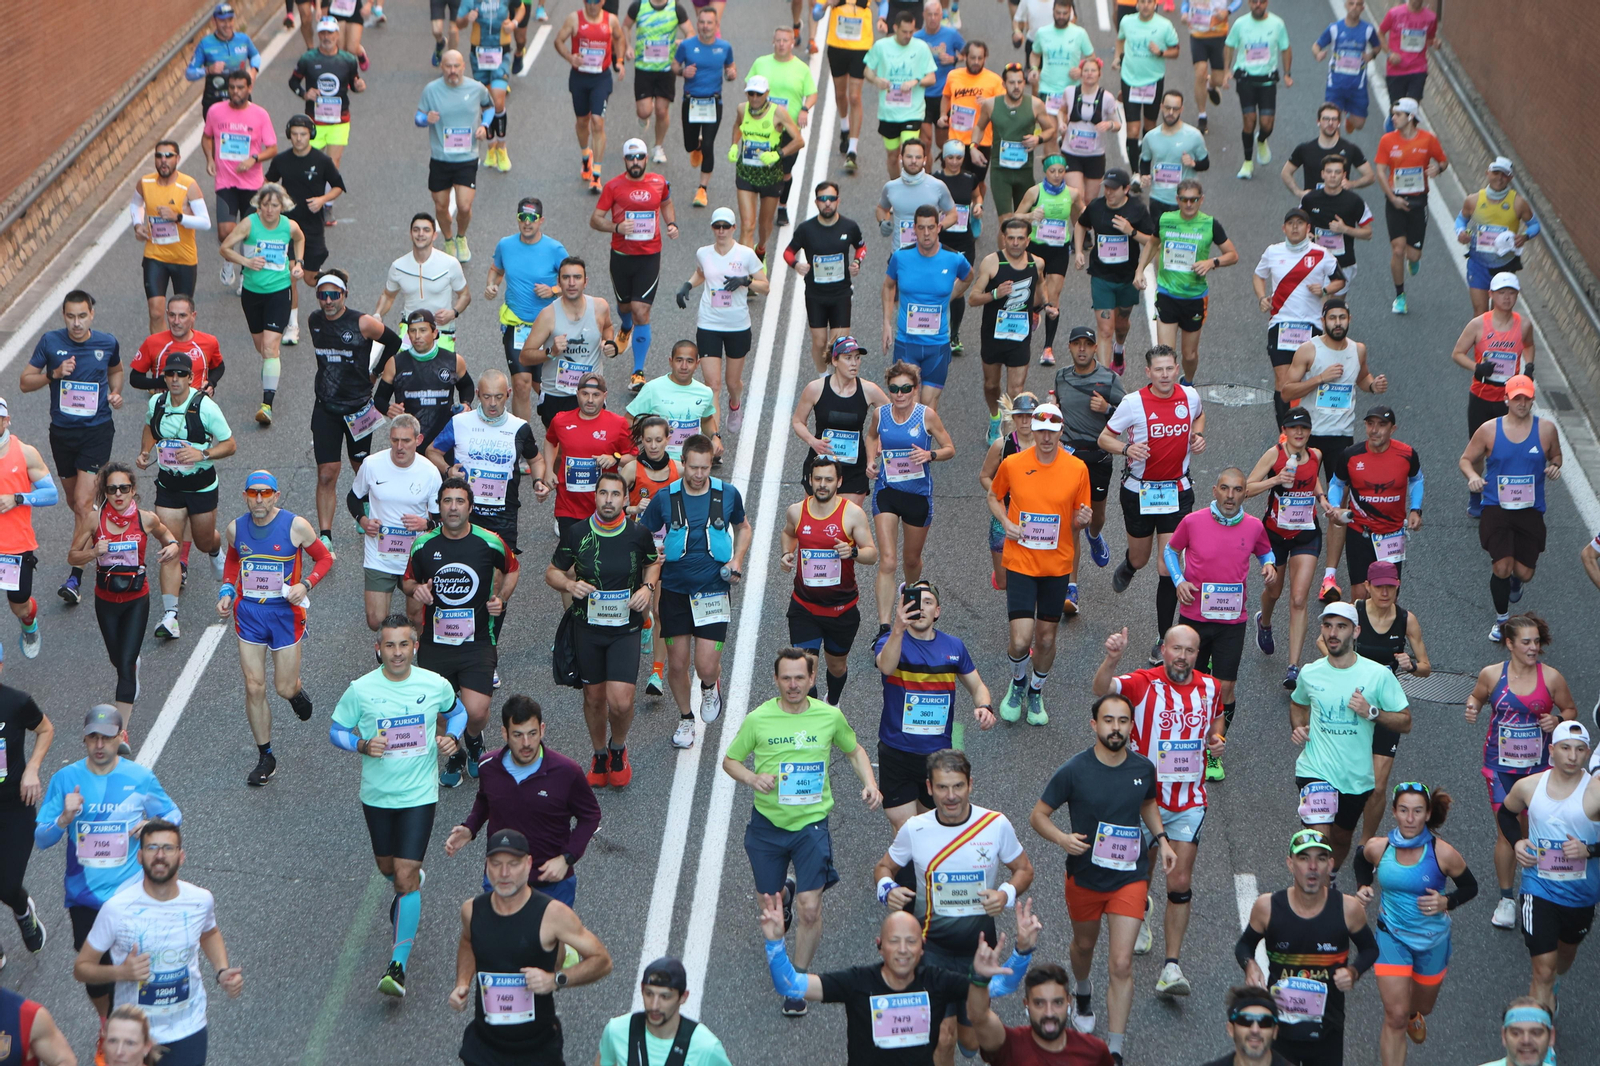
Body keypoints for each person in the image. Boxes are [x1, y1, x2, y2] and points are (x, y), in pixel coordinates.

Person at [724, 647, 882, 1017]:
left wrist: (871, 783)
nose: (793, 685)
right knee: (771, 906)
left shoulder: (829, 716)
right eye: (786, 678)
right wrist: (752, 777)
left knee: (810, 910)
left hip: (811, 826)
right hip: (767, 827)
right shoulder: (759, 719)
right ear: (776, 680)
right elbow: (730, 760)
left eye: (800, 678)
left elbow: (855, 749)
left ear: (812, 679)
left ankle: (797, 979)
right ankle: (784, 891)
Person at [1030, 693, 1175, 1061]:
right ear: (1094, 725)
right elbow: (1039, 815)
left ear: (1131, 726)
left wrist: (1162, 840)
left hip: (1130, 877)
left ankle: (1114, 1048)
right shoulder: (1074, 771)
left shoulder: (1143, 768)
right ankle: (1082, 989)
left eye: (1123, 721)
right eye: (1108, 721)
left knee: (1122, 962)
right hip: (1086, 877)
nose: (1116, 728)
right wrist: (1062, 838)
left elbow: (1147, 802)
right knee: (1083, 947)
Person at [329, 614, 467, 997]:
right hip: (376, 796)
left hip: (420, 795)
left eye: (403, 645)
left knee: (404, 878)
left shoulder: (434, 684)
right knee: (387, 869)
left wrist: (452, 737)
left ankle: (397, 966)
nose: (396, 653)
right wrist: (361, 744)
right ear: (378, 649)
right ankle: (410, 888)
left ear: (415, 647)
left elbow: (457, 712)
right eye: (389, 645)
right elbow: (336, 729)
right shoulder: (360, 689)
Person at [1092, 624, 1224, 995]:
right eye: (1176, 648)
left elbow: (1216, 719)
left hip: (1188, 801)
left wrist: (1217, 741)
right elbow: (1102, 690)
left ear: (1199, 655)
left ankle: (1172, 968)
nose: (1182, 656)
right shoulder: (1143, 683)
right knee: (1141, 873)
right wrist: (1111, 658)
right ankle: (1142, 908)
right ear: (1163, 650)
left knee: (1180, 880)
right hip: (1144, 799)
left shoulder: (1210, 687)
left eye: (1190, 650)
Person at [874, 751, 1033, 1054]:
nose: (950, 796)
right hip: (931, 948)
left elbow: (1024, 869)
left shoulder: (995, 825)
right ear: (929, 788)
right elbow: (884, 868)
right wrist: (886, 889)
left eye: (958, 786)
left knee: (971, 1041)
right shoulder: (915, 829)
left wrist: (1005, 894)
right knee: (943, 1036)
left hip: (978, 950)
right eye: (943, 788)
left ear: (970, 784)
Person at [35, 706, 182, 1024]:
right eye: (92, 738)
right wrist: (64, 818)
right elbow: (42, 838)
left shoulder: (140, 778)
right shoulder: (66, 779)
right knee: (96, 975)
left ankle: (135, 1032)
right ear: (84, 740)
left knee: (137, 969)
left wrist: (151, 825)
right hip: (85, 898)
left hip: (130, 895)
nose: (99, 745)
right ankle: (107, 1022)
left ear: (121, 737)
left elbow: (173, 815)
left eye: (107, 737)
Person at [74, 820, 242, 1065]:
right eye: (152, 848)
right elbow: (81, 968)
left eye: (168, 848)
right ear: (140, 856)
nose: (160, 855)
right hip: (132, 1034)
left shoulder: (200, 900)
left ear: (181, 856)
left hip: (188, 1028)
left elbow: (208, 933)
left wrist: (222, 970)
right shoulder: (117, 909)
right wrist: (120, 972)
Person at [447, 828, 613, 1066]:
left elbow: (602, 961)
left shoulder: (552, 914)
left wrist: (556, 980)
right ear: (487, 865)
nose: (504, 873)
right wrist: (462, 983)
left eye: (513, 864)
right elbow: (468, 941)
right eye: (496, 864)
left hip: (536, 1050)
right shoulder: (472, 910)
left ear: (528, 864)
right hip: (484, 1047)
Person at [1464, 613, 1579, 929]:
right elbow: (1476, 696)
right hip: (1499, 766)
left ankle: (1538, 885)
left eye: (1536, 642)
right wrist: (1473, 706)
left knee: (1531, 828)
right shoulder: (1491, 675)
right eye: (1526, 642)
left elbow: (1570, 710)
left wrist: (1556, 720)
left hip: (1539, 768)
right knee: (1507, 830)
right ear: (1510, 644)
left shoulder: (1551, 678)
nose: (1533, 648)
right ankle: (1506, 899)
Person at [216, 470, 329, 786]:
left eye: (266, 493)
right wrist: (227, 589)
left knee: (282, 686)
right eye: (254, 494)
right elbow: (233, 562)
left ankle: (294, 692)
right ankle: (266, 755)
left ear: (276, 496)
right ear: (245, 496)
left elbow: (324, 559)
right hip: (250, 613)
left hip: (284, 615)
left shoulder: (296, 526)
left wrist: (306, 584)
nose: (260, 500)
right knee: (254, 685)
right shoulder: (235, 529)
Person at [638, 434, 751, 747]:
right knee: (676, 664)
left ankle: (710, 686)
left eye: (705, 468)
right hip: (674, 591)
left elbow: (743, 527)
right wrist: (652, 555)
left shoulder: (727, 494)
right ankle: (686, 719)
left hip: (713, 590)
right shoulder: (665, 497)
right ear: (683, 463)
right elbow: (642, 534)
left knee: (705, 665)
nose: (699, 474)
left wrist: (737, 558)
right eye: (694, 468)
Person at [545, 470, 657, 785]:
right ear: (595, 496)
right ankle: (598, 755)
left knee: (620, 700)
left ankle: (618, 747)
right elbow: (552, 572)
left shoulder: (638, 534)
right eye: (603, 493)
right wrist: (569, 583)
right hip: (588, 629)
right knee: (594, 698)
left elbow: (653, 561)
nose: (608, 500)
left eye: (615, 495)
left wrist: (647, 588)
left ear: (625, 499)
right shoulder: (577, 533)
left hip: (625, 628)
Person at [407, 478, 520, 787]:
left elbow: (512, 568)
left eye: (459, 501)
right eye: (447, 501)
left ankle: (473, 740)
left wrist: (502, 598)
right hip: (435, 643)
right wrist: (417, 590)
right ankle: (456, 753)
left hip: (478, 641)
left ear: (470, 507)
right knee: (441, 712)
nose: (453, 507)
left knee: (477, 710)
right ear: (439, 507)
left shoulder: (490, 541)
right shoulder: (423, 545)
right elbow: (407, 581)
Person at [1353, 783, 1476, 1065]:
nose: (1410, 818)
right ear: (1394, 812)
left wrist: (1448, 902)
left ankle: (1413, 1015)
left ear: (1428, 814)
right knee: (1394, 1016)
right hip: (1391, 936)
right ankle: (1403, 1018)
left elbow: (1470, 886)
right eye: (1404, 810)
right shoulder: (1379, 847)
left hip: (1432, 940)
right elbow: (1361, 859)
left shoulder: (1442, 853)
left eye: (1417, 811)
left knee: (1422, 1006)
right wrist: (1363, 886)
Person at [1163, 468, 1275, 776]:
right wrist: (1178, 580)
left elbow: (1266, 552)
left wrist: (1269, 567)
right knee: (1188, 684)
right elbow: (1171, 551)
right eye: (1224, 489)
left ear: (1244, 493)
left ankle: (1214, 748)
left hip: (1231, 620)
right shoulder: (1193, 521)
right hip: (1194, 616)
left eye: (1237, 490)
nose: (1230, 495)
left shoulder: (1253, 527)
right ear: (1214, 490)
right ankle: (1186, 743)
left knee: (1225, 687)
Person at [1236, 828, 1380, 1066]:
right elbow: (1244, 946)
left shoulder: (1348, 909)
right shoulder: (1268, 907)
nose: (1313, 866)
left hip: (1328, 1028)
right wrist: (1249, 965)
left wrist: (1354, 972)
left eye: (1321, 858)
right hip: (1280, 1028)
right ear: (1290, 864)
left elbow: (1370, 949)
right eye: (1304, 858)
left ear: (1330, 865)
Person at [1098, 346, 1205, 660]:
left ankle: (1162, 638)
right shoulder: (1133, 403)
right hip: (1139, 492)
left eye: (1170, 369)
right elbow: (1104, 438)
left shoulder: (1190, 396)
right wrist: (1126, 448)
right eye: (1158, 370)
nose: (1165, 375)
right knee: (1143, 558)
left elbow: (1199, 417)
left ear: (1176, 368)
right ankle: (1130, 565)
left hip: (1177, 491)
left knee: (1167, 565)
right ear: (1148, 372)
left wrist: (1198, 436)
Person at [988, 402, 1091, 720]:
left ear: (1061, 431)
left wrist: (1083, 519)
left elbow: (1078, 515)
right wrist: (1006, 523)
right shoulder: (1015, 463)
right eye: (1041, 430)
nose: (1046, 437)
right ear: (1032, 429)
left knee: (1046, 639)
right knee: (1020, 640)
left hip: (1056, 566)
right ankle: (1017, 682)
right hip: (1020, 561)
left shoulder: (1077, 469)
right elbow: (994, 495)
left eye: (1053, 431)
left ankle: (1036, 691)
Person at [445, 696, 602, 904]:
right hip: (501, 879)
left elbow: (590, 815)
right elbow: (485, 799)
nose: (526, 743)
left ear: (542, 730)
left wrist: (567, 858)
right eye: (518, 735)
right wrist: (470, 827)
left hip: (551, 882)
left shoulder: (567, 771)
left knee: (549, 938)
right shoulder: (488, 766)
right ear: (505, 733)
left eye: (532, 734)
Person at [1291, 603, 1412, 871]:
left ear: (1356, 631)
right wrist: (1298, 726)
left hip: (1356, 778)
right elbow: (1298, 703)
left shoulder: (1378, 675)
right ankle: (1317, 894)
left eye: (1341, 627)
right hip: (1315, 769)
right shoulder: (1310, 673)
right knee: (1318, 840)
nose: (1333, 633)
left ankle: (1330, 877)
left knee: (1342, 838)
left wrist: (1371, 712)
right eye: (1328, 626)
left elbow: (1405, 721)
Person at [22, 291, 122, 607]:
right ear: (63, 316)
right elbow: (25, 381)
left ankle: (75, 576)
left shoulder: (107, 342)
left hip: (97, 432)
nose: (76, 323)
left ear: (92, 314)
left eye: (82, 316)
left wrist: (115, 393)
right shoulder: (50, 342)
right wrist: (53, 374)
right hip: (62, 435)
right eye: (70, 316)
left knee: (82, 501)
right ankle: (102, 530)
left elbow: (116, 371)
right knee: (75, 501)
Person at [1497, 721, 1600, 1014]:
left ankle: (1553, 984)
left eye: (1579, 750)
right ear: (1551, 750)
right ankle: (1543, 1048)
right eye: (1565, 748)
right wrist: (1517, 843)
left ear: (1587, 753)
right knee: (1542, 970)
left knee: (1563, 958)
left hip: (1582, 895)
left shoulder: (1595, 792)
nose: (1572, 756)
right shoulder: (1530, 786)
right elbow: (1507, 813)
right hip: (1538, 888)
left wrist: (1589, 850)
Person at [873, 582, 994, 828]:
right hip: (897, 752)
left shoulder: (954, 647)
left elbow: (977, 686)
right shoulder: (890, 640)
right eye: (914, 602)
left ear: (937, 611)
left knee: (931, 826)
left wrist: (985, 706)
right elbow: (885, 666)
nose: (921, 608)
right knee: (905, 828)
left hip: (936, 755)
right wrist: (897, 628)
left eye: (928, 602)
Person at [135, 355, 234, 639]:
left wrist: (202, 453)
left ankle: (216, 551)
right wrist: (145, 452)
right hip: (168, 486)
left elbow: (230, 444)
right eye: (170, 374)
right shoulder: (156, 404)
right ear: (164, 377)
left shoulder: (205, 407)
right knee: (170, 548)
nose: (175, 379)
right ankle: (170, 616)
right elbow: (148, 427)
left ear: (190, 378)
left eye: (180, 374)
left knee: (203, 541)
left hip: (201, 485)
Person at [1334, 561, 1431, 844]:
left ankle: (1366, 844)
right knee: (1346, 781)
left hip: (1386, 709)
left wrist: (1411, 665)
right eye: (1379, 587)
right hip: (1352, 705)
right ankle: (1341, 833)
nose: (1386, 593)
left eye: (1391, 587)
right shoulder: (1354, 612)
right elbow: (1324, 642)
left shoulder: (1406, 620)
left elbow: (1426, 666)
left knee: (1377, 786)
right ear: (1368, 587)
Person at [1460, 375, 1560, 637]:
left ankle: (1516, 581)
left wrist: (1554, 467)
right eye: (1517, 398)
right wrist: (1473, 477)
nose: (1522, 403)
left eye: (1527, 398)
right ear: (1506, 399)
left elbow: (1556, 455)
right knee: (1501, 566)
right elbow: (1466, 460)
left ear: (1532, 399)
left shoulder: (1546, 430)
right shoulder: (1489, 430)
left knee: (1524, 573)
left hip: (1531, 509)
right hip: (1497, 507)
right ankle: (1502, 621)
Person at [305, 270, 399, 543]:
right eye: (323, 295)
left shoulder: (363, 323)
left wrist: (375, 372)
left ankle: (365, 508)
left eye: (334, 295)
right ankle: (325, 535)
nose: (328, 301)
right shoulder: (314, 321)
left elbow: (393, 342)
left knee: (361, 466)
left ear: (345, 295)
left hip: (359, 408)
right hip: (325, 408)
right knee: (326, 473)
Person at [780, 456, 878, 705]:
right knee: (805, 668)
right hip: (804, 607)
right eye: (818, 479)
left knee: (836, 667)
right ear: (810, 481)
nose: (823, 484)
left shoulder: (852, 514)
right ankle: (812, 713)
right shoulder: (796, 511)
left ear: (839, 482)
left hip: (841, 609)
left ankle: (832, 702)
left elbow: (872, 554)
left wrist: (853, 552)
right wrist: (786, 553)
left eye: (829, 479)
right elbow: (788, 533)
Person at [1245, 409, 1329, 692]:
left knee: (1298, 599)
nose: (1299, 433)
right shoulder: (1275, 455)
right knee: (1274, 591)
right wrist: (1275, 480)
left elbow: (1313, 476)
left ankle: (1293, 667)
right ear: (1285, 430)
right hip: (1275, 534)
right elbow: (1246, 488)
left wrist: (1322, 498)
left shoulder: (1315, 454)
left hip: (1306, 533)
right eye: (1294, 428)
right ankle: (1264, 621)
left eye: (1304, 428)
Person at [866, 363, 954, 630]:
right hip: (887, 492)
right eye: (894, 389)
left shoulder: (926, 416)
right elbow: (871, 437)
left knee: (911, 560)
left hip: (917, 496)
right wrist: (871, 460)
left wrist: (931, 455)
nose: (900, 394)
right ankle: (883, 627)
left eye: (905, 388)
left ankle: (911, 603)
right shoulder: (880, 415)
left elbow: (950, 447)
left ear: (915, 390)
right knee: (889, 560)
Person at [591, 140, 677, 393]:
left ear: (646, 159)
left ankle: (638, 371)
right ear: (625, 160)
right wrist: (616, 227)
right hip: (621, 256)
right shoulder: (614, 186)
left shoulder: (659, 182)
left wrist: (671, 223)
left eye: (640, 157)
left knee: (642, 311)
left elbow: (666, 202)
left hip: (649, 256)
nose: (636, 161)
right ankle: (625, 327)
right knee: (625, 307)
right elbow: (595, 220)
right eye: (631, 158)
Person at [218, 182, 305, 426]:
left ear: (282, 207)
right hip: (252, 293)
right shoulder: (249, 223)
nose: (269, 210)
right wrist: (246, 261)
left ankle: (266, 405)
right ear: (259, 205)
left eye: (274, 206)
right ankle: (272, 366)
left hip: (279, 291)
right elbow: (225, 248)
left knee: (269, 347)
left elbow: (300, 239)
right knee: (263, 349)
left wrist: (298, 263)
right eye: (265, 205)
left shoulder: (289, 226)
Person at [427, 370, 539, 560]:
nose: (493, 403)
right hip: (466, 511)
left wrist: (538, 481)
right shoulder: (460, 422)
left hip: (503, 513)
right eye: (487, 397)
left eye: (498, 396)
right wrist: (447, 470)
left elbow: (536, 459)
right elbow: (432, 451)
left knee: (500, 571)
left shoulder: (519, 427)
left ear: (508, 394)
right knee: (464, 564)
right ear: (478, 394)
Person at [1451, 273, 1535, 518]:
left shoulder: (1524, 324)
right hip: (1481, 396)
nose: (1507, 298)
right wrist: (1476, 368)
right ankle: (1475, 494)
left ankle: (1507, 493)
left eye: (1511, 293)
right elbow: (1457, 353)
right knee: (1477, 451)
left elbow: (1529, 345)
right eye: (1501, 293)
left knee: (1508, 450)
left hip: (1511, 400)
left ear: (1517, 295)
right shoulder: (1478, 324)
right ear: (1491, 295)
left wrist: (1529, 366)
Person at [348, 414, 443, 630]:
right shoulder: (372, 465)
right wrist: (363, 520)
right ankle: (388, 655)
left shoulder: (430, 472)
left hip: (414, 557)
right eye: (394, 440)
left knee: (416, 617)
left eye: (406, 441)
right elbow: (353, 497)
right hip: (380, 556)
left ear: (418, 441)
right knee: (375, 621)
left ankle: (413, 657)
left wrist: (425, 524)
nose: (399, 447)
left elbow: (441, 520)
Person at [676, 209, 768, 430]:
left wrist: (746, 281)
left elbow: (765, 286)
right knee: (712, 385)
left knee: (732, 382)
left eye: (726, 226)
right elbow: (701, 273)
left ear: (734, 228)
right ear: (712, 228)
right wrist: (687, 285)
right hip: (709, 324)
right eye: (717, 226)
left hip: (737, 326)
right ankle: (714, 440)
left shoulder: (745, 254)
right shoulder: (704, 253)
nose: (721, 231)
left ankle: (735, 404)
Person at [1138, 181, 1237, 383]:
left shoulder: (1210, 224)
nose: (1189, 204)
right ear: (1177, 200)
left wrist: (1212, 262)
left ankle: (1188, 381)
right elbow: (1152, 243)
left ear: (1201, 200)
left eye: (1193, 199)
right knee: (1165, 354)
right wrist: (1139, 270)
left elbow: (1233, 255)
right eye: (1184, 199)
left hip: (1194, 297)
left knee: (1189, 355)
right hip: (1167, 294)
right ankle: (1168, 394)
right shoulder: (1166, 219)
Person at [264, 117, 348, 347]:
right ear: (289, 135)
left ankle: (327, 277)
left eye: (303, 134)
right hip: (287, 227)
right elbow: (268, 182)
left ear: (310, 134)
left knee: (310, 280)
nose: (298, 138)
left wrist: (323, 199)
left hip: (312, 227)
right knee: (291, 274)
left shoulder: (321, 161)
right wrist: (276, 198)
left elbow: (339, 186)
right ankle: (292, 325)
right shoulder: (281, 160)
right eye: (294, 134)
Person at [1252, 209, 1343, 422]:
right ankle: (1285, 433)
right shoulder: (1273, 251)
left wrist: (1323, 290)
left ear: (1308, 228)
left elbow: (1340, 280)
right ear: (1284, 228)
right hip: (1280, 325)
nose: (1295, 227)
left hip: (1311, 327)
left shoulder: (1321, 253)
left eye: (1300, 223)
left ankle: (1308, 427)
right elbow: (1258, 276)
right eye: (1290, 223)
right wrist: (1261, 297)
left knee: (1308, 381)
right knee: (1283, 382)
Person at [968, 934, 1112, 1065]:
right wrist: (979, 979)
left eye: (1057, 1002)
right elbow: (979, 1017)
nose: (1049, 1013)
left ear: (1069, 1001)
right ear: (1027, 1004)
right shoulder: (1008, 1045)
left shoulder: (1095, 1051)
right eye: (1039, 1003)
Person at [882, 206, 973, 409]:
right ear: (914, 228)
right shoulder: (900, 257)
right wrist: (887, 323)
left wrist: (950, 296)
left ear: (939, 227)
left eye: (931, 227)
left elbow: (969, 277)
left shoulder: (954, 258)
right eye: (921, 228)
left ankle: (923, 442)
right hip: (907, 343)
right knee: (905, 403)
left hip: (937, 345)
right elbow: (888, 286)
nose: (926, 233)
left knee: (927, 406)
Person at [487, 198, 569, 424]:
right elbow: (496, 269)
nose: (527, 223)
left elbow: (574, 283)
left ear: (541, 220)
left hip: (547, 327)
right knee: (521, 383)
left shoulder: (555, 249)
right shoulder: (506, 245)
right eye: (522, 218)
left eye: (532, 218)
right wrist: (492, 284)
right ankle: (521, 444)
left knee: (543, 386)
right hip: (517, 324)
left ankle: (562, 431)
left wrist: (553, 290)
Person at [522, 256, 620, 432]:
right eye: (566, 278)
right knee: (559, 450)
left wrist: (608, 342)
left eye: (577, 277)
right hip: (557, 393)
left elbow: (608, 326)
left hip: (591, 393)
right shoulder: (548, 315)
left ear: (585, 281)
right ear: (558, 282)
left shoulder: (600, 307)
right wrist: (550, 352)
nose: (572, 283)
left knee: (591, 446)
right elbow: (525, 356)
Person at [200, 70, 278, 289]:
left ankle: (245, 274)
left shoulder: (260, 115)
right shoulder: (216, 111)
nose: (235, 91)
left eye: (240, 87)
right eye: (232, 87)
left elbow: (272, 148)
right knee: (225, 232)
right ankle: (228, 261)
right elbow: (206, 137)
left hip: (252, 185)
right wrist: (209, 159)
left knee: (249, 233)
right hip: (225, 181)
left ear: (249, 88)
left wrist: (254, 158)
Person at [1052, 327, 1122, 565]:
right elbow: (1058, 405)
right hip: (1069, 457)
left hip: (1099, 457)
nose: (1081, 349)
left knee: (1097, 515)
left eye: (1087, 344)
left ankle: (1094, 537)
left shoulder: (1110, 379)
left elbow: (1129, 416)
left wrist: (1107, 409)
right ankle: (1069, 584)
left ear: (1094, 348)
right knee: (1071, 518)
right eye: (1076, 344)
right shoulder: (1061, 377)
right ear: (1070, 347)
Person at [0, 644, 51, 971]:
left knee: (6, 884)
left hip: (15, 808)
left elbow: (45, 728)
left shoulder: (16, 702)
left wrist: (32, 768)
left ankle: (22, 909)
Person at [414, 52, 493, 259]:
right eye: (448, 66)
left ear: (463, 66)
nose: (452, 71)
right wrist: (426, 119)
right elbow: (418, 117)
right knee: (440, 206)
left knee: (464, 206)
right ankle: (448, 240)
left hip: (467, 158)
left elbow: (490, 108)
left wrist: (484, 126)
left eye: (456, 66)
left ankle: (461, 237)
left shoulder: (476, 88)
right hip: (440, 158)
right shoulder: (431, 90)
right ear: (442, 67)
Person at [129, 141, 211, 336]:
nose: (163, 161)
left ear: (178, 159)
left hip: (184, 258)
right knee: (156, 312)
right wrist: (138, 225)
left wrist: (179, 217)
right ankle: (160, 358)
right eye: (159, 156)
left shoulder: (188, 185)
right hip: (155, 256)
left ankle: (181, 356)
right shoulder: (145, 183)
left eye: (169, 156)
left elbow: (205, 222)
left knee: (182, 315)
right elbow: (135, 205)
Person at [969, 218, 1044, 427]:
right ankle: (995, 417)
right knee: (991, 384)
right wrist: (995, 293)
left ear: (1028, 240)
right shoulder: (992, 262)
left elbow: (1041, 292)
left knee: (1016, 389)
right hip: (993, 334)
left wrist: (1047, 307)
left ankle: (1010, 433)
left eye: (1020, 238)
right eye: (1011, 238)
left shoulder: (1036, 263)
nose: (1015, 243)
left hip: (1020, 335)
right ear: (1004, 239)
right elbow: (973, 298)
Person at [1375, 98, 1447, 315]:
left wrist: (1438, 169)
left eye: (1398, 114)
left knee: (1412, 255)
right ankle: (1400, 296)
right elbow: (1380, 171)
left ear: (1411, 117)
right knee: (1397, 250)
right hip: (1395, 200)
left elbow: (1443, 160)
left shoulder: (1428, 140)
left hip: (1418, 202)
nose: (1393, 118)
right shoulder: (1387, 140)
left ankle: (1413, 260)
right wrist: (1392, 197)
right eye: (1393, 114)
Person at [542, 372, 636, 536]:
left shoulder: (618, 423)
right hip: (568, 506)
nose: (590, 400)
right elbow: (550, 441)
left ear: (605, 396)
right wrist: (549, 470)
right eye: (585, 394)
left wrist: (615, 458)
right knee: (571, 557)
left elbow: (633, 456)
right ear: (577, 394)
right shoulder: (561, 421)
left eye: (596, 395)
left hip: (604, 507)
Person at [786, 184, 868, 371]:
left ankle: (838, 381)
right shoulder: (806, 229)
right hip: (816, 295)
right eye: (823, 199)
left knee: (840, 343)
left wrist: (857, 262)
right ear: (816, 203)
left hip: (841, 293)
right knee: (820, 342)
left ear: (838, 200)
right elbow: (788, 252)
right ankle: (822, 377)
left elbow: (861, 247)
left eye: (831, 199)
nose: (827, 203)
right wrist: (796, 265)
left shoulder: (849, 226)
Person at [791, 337, 882, 506]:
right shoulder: (815, 388)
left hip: (854, 469)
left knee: (846, 525)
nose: (854, 363)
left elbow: (891, 416)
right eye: (848, 358)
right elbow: (797, 421)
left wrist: (879, 440)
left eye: (857, 358)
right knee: (817, 522)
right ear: (835, 360)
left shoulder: (869, 390)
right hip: (821, 466)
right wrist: (813, 442)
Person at [1074, 170, 1149, 373]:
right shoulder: (1096, 206)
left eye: (1114, 189)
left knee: (1121, 324)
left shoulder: (1137, 208)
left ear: (1126, 189)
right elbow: (1081, 225)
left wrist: (1130, 231)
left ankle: (1120, 348)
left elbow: (1152, 241)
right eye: (1106, 187)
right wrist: (1079, 251)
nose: (1108, 192)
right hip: (1101, 276)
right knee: (1105, 330)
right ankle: (1105, 378)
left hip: (1127, 277)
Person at [597, 955, 731, 1066]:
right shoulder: (616, 1031)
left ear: (683, 997)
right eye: (649, 994)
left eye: (665, 997)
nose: (654, 1006)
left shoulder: (707, 1047)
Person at [725, 75, 803, 259]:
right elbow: (737, 125)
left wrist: (778, 154)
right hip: (746, 173)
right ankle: (748, 270)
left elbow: (799, 140)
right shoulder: (742, 109)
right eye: (750, 93)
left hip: (770, 176)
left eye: (758, 94)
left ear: (767, 93)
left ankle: (761, 249)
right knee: (747, 225)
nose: (754, 98)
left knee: (764, 225)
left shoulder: (779, 113)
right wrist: (734, 145)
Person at [749, 24, 820, 227]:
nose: (781, 44)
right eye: (778, 40)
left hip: (789, 128)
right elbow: (750, 90)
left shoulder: (801, 68)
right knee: (761, 165)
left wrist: (805, 109)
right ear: (773, 42)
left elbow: (812, 93)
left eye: (785, 41)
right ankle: (761, 205)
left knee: (785, 172)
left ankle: (782, 206)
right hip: (764, 125)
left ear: (792, 43)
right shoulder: (761, 64)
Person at [1013, 157, 1081, 364]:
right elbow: (1015, 216)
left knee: (1054, 296)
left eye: (1061, 170)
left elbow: (1080, 222)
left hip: (1060, 249)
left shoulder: (1073, 194)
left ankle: (1047, 348)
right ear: (1045, 171)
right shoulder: (1034, 192)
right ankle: (1033, 312)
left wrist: (1078, 250)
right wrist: (1030, 215)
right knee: (1034, 295)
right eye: (1053, 171)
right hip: (1036, 248)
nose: (1057, 175)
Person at [556, 0, 626, 193]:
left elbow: (619, 38)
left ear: (603, 2)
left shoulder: (610, 20)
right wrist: (570, 58)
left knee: (597, 121)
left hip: (600, 78)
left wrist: (618, 61)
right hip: (579, 78)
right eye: (588, 1)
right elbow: (558, 41)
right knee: (582, 121)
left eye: (596, 1)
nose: (592, 5)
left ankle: (596, 174)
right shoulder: (574, 19)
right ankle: (586, 156)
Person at [378, 310, 474, 450]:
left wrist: (466, 404)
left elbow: (467, 386)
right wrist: (388, 409)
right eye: (412, 331)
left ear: (434, 333)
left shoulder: (453, 361)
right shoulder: (395, 363)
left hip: (443, 438)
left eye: (423, 330)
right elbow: (380, 398)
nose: (417, 336)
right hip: (409, 440)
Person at [971, 63, 1054, 219]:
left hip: (1025, 172)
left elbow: (1050, 129)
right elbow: (980, 127)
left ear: (1024, 83)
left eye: (1020, 82)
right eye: (1011, 82)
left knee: (1023, 224)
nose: (1016, 86)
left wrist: (1038, 138)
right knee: (1006, 222)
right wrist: (973, 147)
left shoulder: (1036, 104)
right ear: (1003, 84)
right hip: (1000, 172)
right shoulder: (991, 104)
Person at [1457, 158, 1539, 315]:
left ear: (1510, 178)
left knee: (1498, 313)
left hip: (1504, 265)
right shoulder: (1473, 200)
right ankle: (1481, 340)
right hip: (1478, 263)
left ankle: (1493, 340)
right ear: (1487, 173)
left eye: (1504, 175)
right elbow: (1461, 220)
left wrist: (1525, 236)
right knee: (1480, 312)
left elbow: (1534, 225)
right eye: (1495, 173)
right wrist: (1461, 233)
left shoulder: (1518, 203)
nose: (1499, 178)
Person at [674, 7, 739, 204]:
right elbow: (674, 66)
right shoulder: (686, 45)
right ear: (697, 23)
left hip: (713, 102)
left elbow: (730, 67)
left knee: (710, 145)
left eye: (709, 23)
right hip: (691, 102)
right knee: (689, 145)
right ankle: (696, 146)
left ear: (716, 25)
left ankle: (702, 189)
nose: (705, 26)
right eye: (702, 22)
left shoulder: (725, 47)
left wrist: (731, 74)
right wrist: (682, 73)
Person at [863, 11, 937, 180]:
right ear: (895, 28)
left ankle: (914, 186)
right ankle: (897, 188)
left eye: (911, 32)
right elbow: (867, 71)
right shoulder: (882, 46)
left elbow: (932, 77)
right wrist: (876, 80)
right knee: (892, 156)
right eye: (904, 32)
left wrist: (915, 81)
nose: (908, 36)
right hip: (889, 112)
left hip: (912, 111)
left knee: (910, 152)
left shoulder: (921, 47)